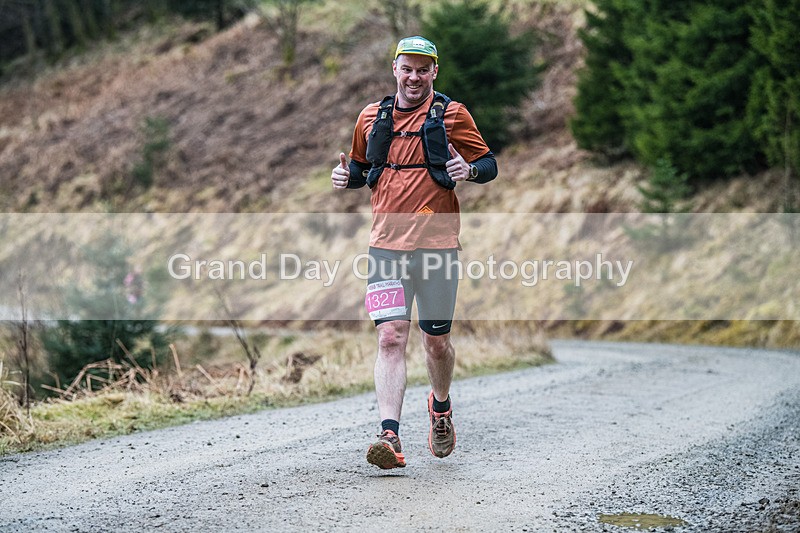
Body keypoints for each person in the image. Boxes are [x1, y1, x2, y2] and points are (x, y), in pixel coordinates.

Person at [331, 36, 497, 469]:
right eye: (408, 68)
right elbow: (362, 169)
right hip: (385, 247)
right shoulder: (371, 116)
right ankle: (390, 436)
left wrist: (470, 169)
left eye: (423, 69)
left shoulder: (453, 114)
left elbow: (489, 164)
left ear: (434, 73)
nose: (414, 76)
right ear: (395, 69)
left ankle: (440, 407)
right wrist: (344, 177)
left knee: (436, 342)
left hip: (438, 247)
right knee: (390, 337)